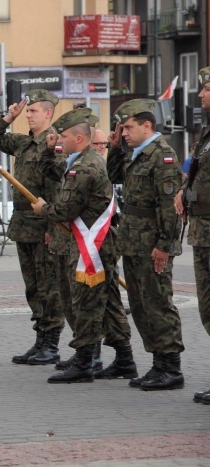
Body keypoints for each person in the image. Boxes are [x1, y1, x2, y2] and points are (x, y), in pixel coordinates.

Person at [32, 108, 129, 384]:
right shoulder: (81, 160)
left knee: (85, 302)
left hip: (92, 245)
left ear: (78, 138)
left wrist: (43, 209)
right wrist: (50, 151)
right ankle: (125, 359)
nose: (58, 138)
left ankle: (85, 362)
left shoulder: (84, 166)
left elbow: (65, 209)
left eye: (62, 135)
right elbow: (52, 171)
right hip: (97, 242)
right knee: (109, 302)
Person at [107, 99, 184, 390]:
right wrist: (114, 147)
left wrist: (164, 245)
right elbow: (113, 176)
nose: (124, 133)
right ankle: (157, 363)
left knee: (158, 304)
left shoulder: (162, 156)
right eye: (122, 128)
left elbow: (169, 207)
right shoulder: (137, 155)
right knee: (140, 305)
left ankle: (171, 367)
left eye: (128, 127)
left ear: (146, 125)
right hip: (133, 243)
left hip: (152, 244)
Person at [0, 89, 63, 364]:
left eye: (33, 111)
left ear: (48, 113)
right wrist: (8, 118)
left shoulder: (54, 145)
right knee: (32, 286)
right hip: (23, 225)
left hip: (44, 226)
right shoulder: (23, 143)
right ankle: (40, 340)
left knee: (48, 288)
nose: (27, 115)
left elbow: (57, 189)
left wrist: (54, 228)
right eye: (26, 111)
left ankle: (51, 344)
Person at [175, 66, 210, 404]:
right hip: (202, 234)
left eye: (207, 90)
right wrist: (184, 191)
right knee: (208, 311)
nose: (201, 96)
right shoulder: (207, 134)